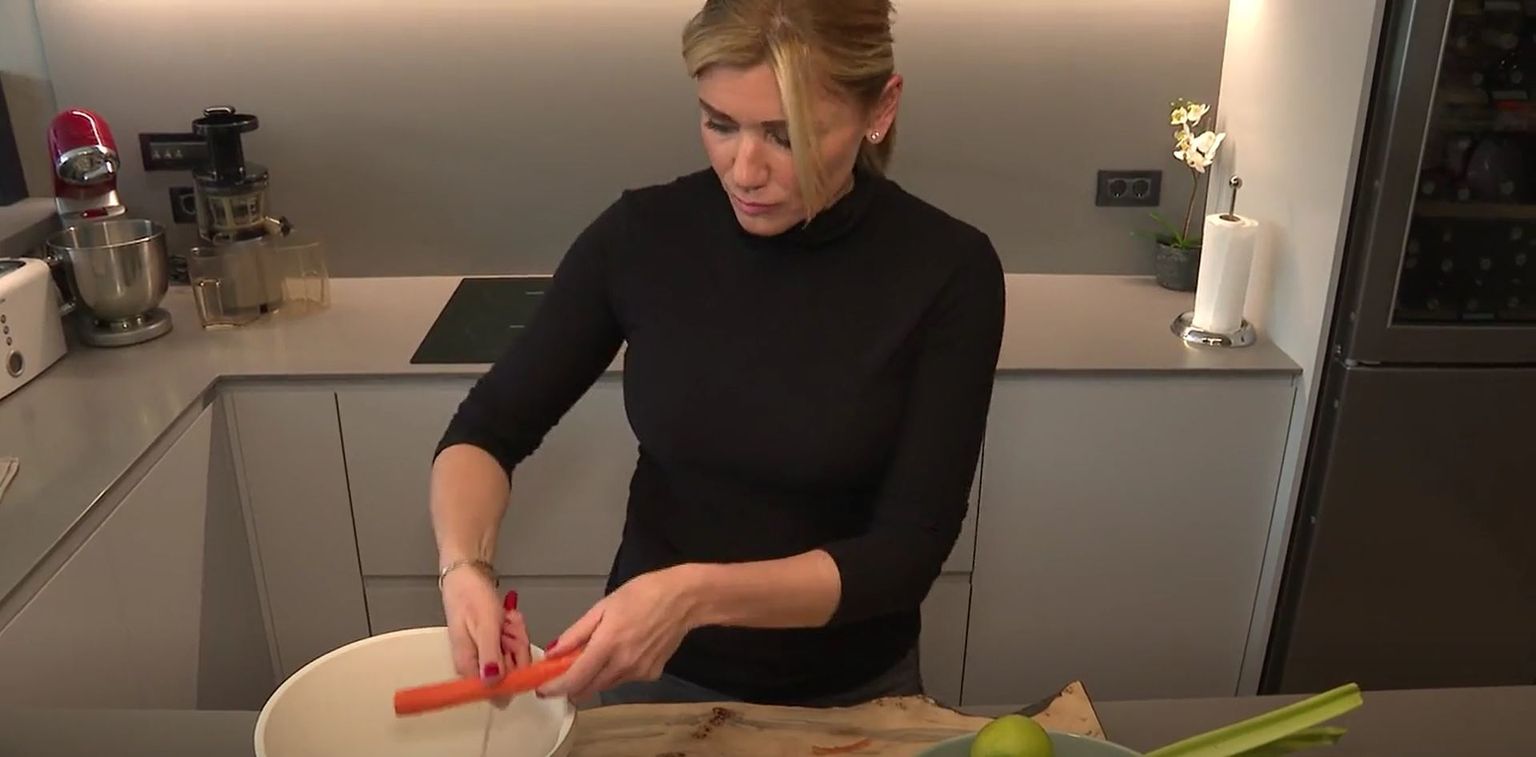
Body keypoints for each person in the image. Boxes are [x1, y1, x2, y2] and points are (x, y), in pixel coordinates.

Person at [429, 0, 1005, 707]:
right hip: (651, 675)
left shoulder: (948, 270)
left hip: (852, 690)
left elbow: (907, 551)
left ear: (880, 108)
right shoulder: (641, 237)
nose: (744, 170)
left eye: (786, 135)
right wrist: (465, 567)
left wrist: (692, 596)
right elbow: (487, 429)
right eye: (719, 124)